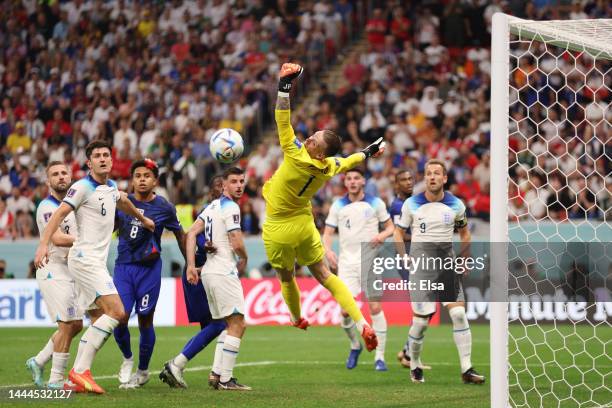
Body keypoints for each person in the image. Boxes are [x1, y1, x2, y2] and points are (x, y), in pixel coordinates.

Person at [262, 63, 385, 352]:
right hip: (304, 223)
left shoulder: (295, 154)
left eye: (314, 140)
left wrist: (284, 85)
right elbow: (350, 160)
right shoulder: (329, 166)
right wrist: (369, 151)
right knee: (326, 276)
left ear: (316, 151)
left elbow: (282, 119)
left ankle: (296, 317)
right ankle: (361, 322)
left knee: (286, 276)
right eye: (313, 134)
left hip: (279, 226)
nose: (308, 138)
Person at [34, 140, 155, 394]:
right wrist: (43, 245)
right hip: (83, 259)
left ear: (111, 161)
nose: (102, 159)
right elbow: (58, 215)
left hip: (93, 262)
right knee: (117, 311)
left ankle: (71, 377)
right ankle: (80, 371)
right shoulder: (81, 187)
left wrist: (142, 218)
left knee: (97, 318)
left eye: (106, 155)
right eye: (97, 156)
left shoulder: (111, 187)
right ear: (89, 163)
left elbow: (122, 201)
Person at [394, 159, 484, 384]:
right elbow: (398, 233)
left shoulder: (456, 205)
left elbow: (464, 234)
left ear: (444, 178)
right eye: (428, 173)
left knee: (458, 314)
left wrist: (464, 260)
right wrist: (404, 257)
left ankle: (467, 369)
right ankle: (414, 364)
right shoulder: (411, 204)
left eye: (436, 173)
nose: (431, 177)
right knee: (422, 322)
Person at [160, 167, 251, 391]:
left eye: (242, 181)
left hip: (208, 272)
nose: (239, 185)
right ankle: (225, 379)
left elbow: (190, 233)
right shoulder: (231, 207)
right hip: (222, 270)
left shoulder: (211, 207)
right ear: (224, 186)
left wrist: (191, 264)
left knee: (226, 324)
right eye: (234, 181)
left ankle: (216, 374)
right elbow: (236, 241)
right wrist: (245, 258)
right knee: (238, 323)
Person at [112, 158, 186, 389]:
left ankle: (143, 371)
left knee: (145, 319)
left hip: (149, 270)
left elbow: (180, 234)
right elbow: (110, 227)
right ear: (132, 180)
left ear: (155, 181)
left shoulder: (164, 207)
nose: (142, 179)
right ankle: (127, 358)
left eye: (147, 176)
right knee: (120, 317)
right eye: (138, 176)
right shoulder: (122, 202)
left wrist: (191, 263)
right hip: (123, 267)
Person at [26, 162, 95, 390]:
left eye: (64, 173)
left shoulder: (72, 206)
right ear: (48, 182)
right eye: (55, 174)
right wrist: (87, 239)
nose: (60, 177)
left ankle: (38, 361)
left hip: (70, 268)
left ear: (71, 177)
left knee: (75, 324)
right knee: (66, 324)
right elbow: (56, 238)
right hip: (52, 268)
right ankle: (56, 380)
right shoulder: (47, 207)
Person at [322, 168, 395, 371]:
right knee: (345, 312)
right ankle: (355, 345)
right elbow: (327, 232)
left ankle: (379, 357)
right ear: (345, 183)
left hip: (370, 262)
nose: (353, 181)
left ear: (363, 181)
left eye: (356, 178)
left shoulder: (375, 203)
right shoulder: (338, 205)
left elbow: (391, 227)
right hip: (346, 264)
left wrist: (382, 236)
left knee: (375, 308)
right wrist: (328, 251)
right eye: (349, 179)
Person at [165, 175, 227, 389]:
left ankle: (217, 374)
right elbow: (192, 237)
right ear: (211, 191)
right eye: (218, 184)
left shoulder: (226, 210)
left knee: (218, 326)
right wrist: (201, 253)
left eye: (224, 184)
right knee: (222, 323)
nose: (223, 188)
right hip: (199, 274)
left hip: (209, 273)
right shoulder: (210, 211)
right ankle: (177, 365)